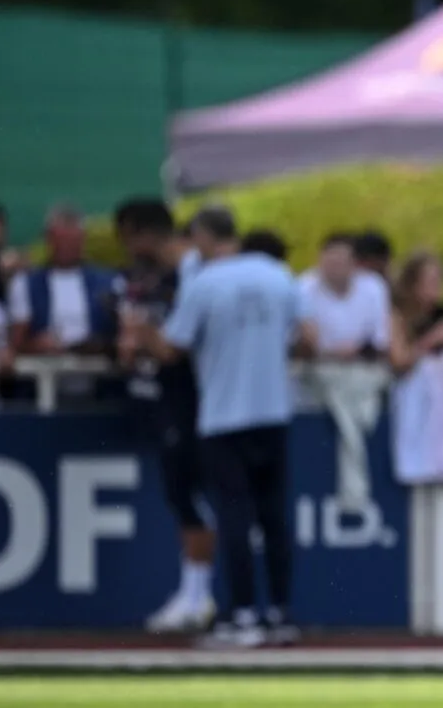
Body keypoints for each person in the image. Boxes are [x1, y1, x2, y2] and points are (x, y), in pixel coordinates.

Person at [131, 206, 315, 648]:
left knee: (234, 515)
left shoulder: (205, 283)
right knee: (273, 516)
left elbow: (172, 349)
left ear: (204, 236)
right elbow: (309, 338)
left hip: (224, 415)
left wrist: (140, 330)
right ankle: (281, 613)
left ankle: (242, 616)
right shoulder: (277, 274)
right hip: (272, 410)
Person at [113, 199, 216, 633]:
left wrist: (146, 335)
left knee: (193, 496)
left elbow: (179, 346)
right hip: (159, 396)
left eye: (128, 238)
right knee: (179, 495)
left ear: (144, 233)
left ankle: (199, 594)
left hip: (193, 398)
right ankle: (192, 592)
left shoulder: (194, 274)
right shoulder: (144, 278)